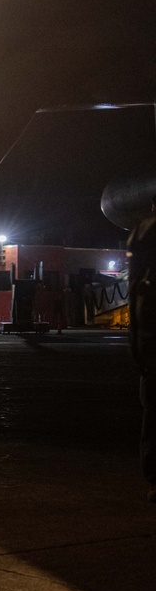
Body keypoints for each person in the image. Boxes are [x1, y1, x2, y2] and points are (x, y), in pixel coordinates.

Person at [129, 195, 156, 503]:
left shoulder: (141, 232)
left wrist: (135, 349)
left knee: (152, 414)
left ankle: (154, 478)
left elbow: (134, 286)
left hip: (149, 345)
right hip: (149, 343)